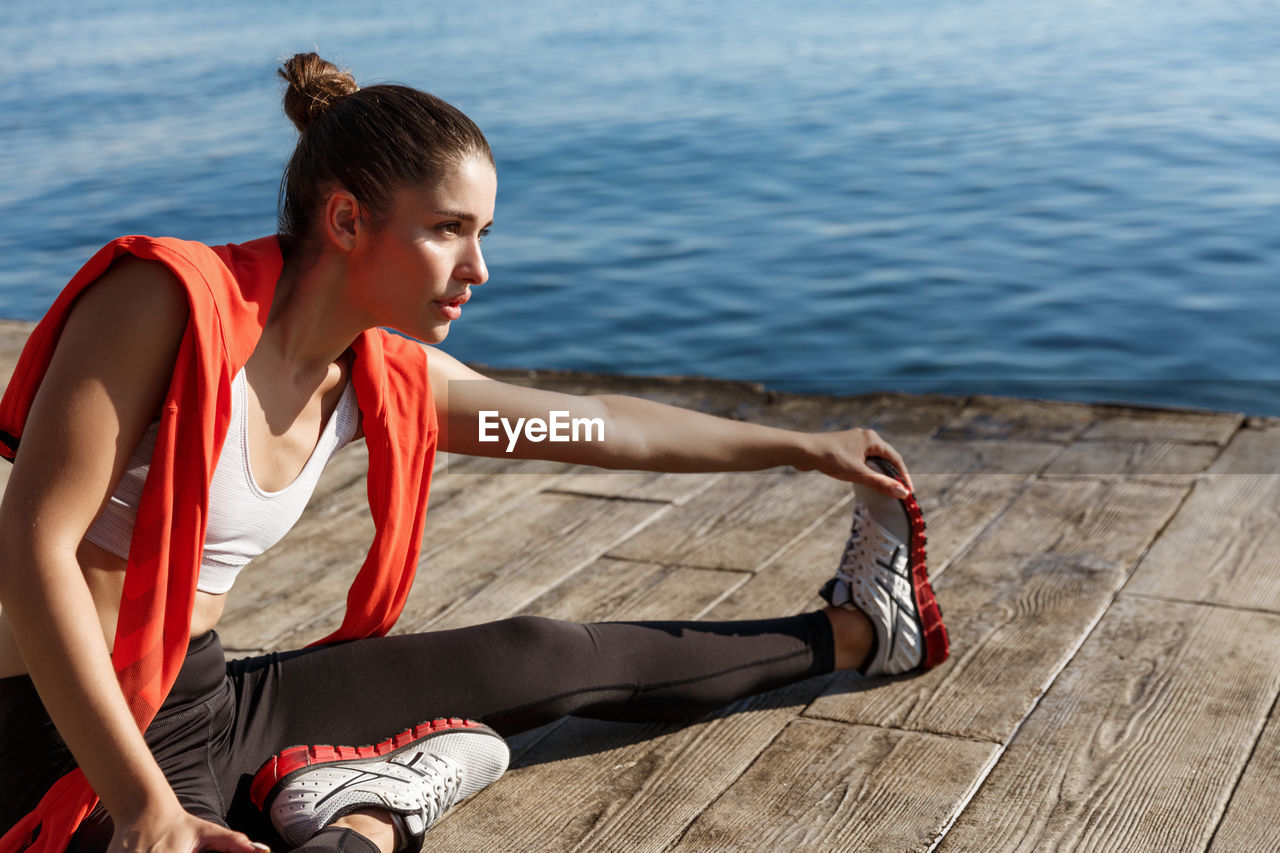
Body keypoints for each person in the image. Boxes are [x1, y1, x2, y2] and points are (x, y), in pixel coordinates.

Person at [0, 53, 948, 853]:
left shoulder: (379, 377)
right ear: (345, 221)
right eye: (449, 229)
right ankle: (372, 816)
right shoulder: (164, 305)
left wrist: (799, 446)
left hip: (205, 696)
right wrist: (142, 805)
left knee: (537, 655)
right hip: (57, 726)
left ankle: (857, 630)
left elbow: (600, 427)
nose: (478, 269)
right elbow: (33, 549)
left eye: (482, 233)